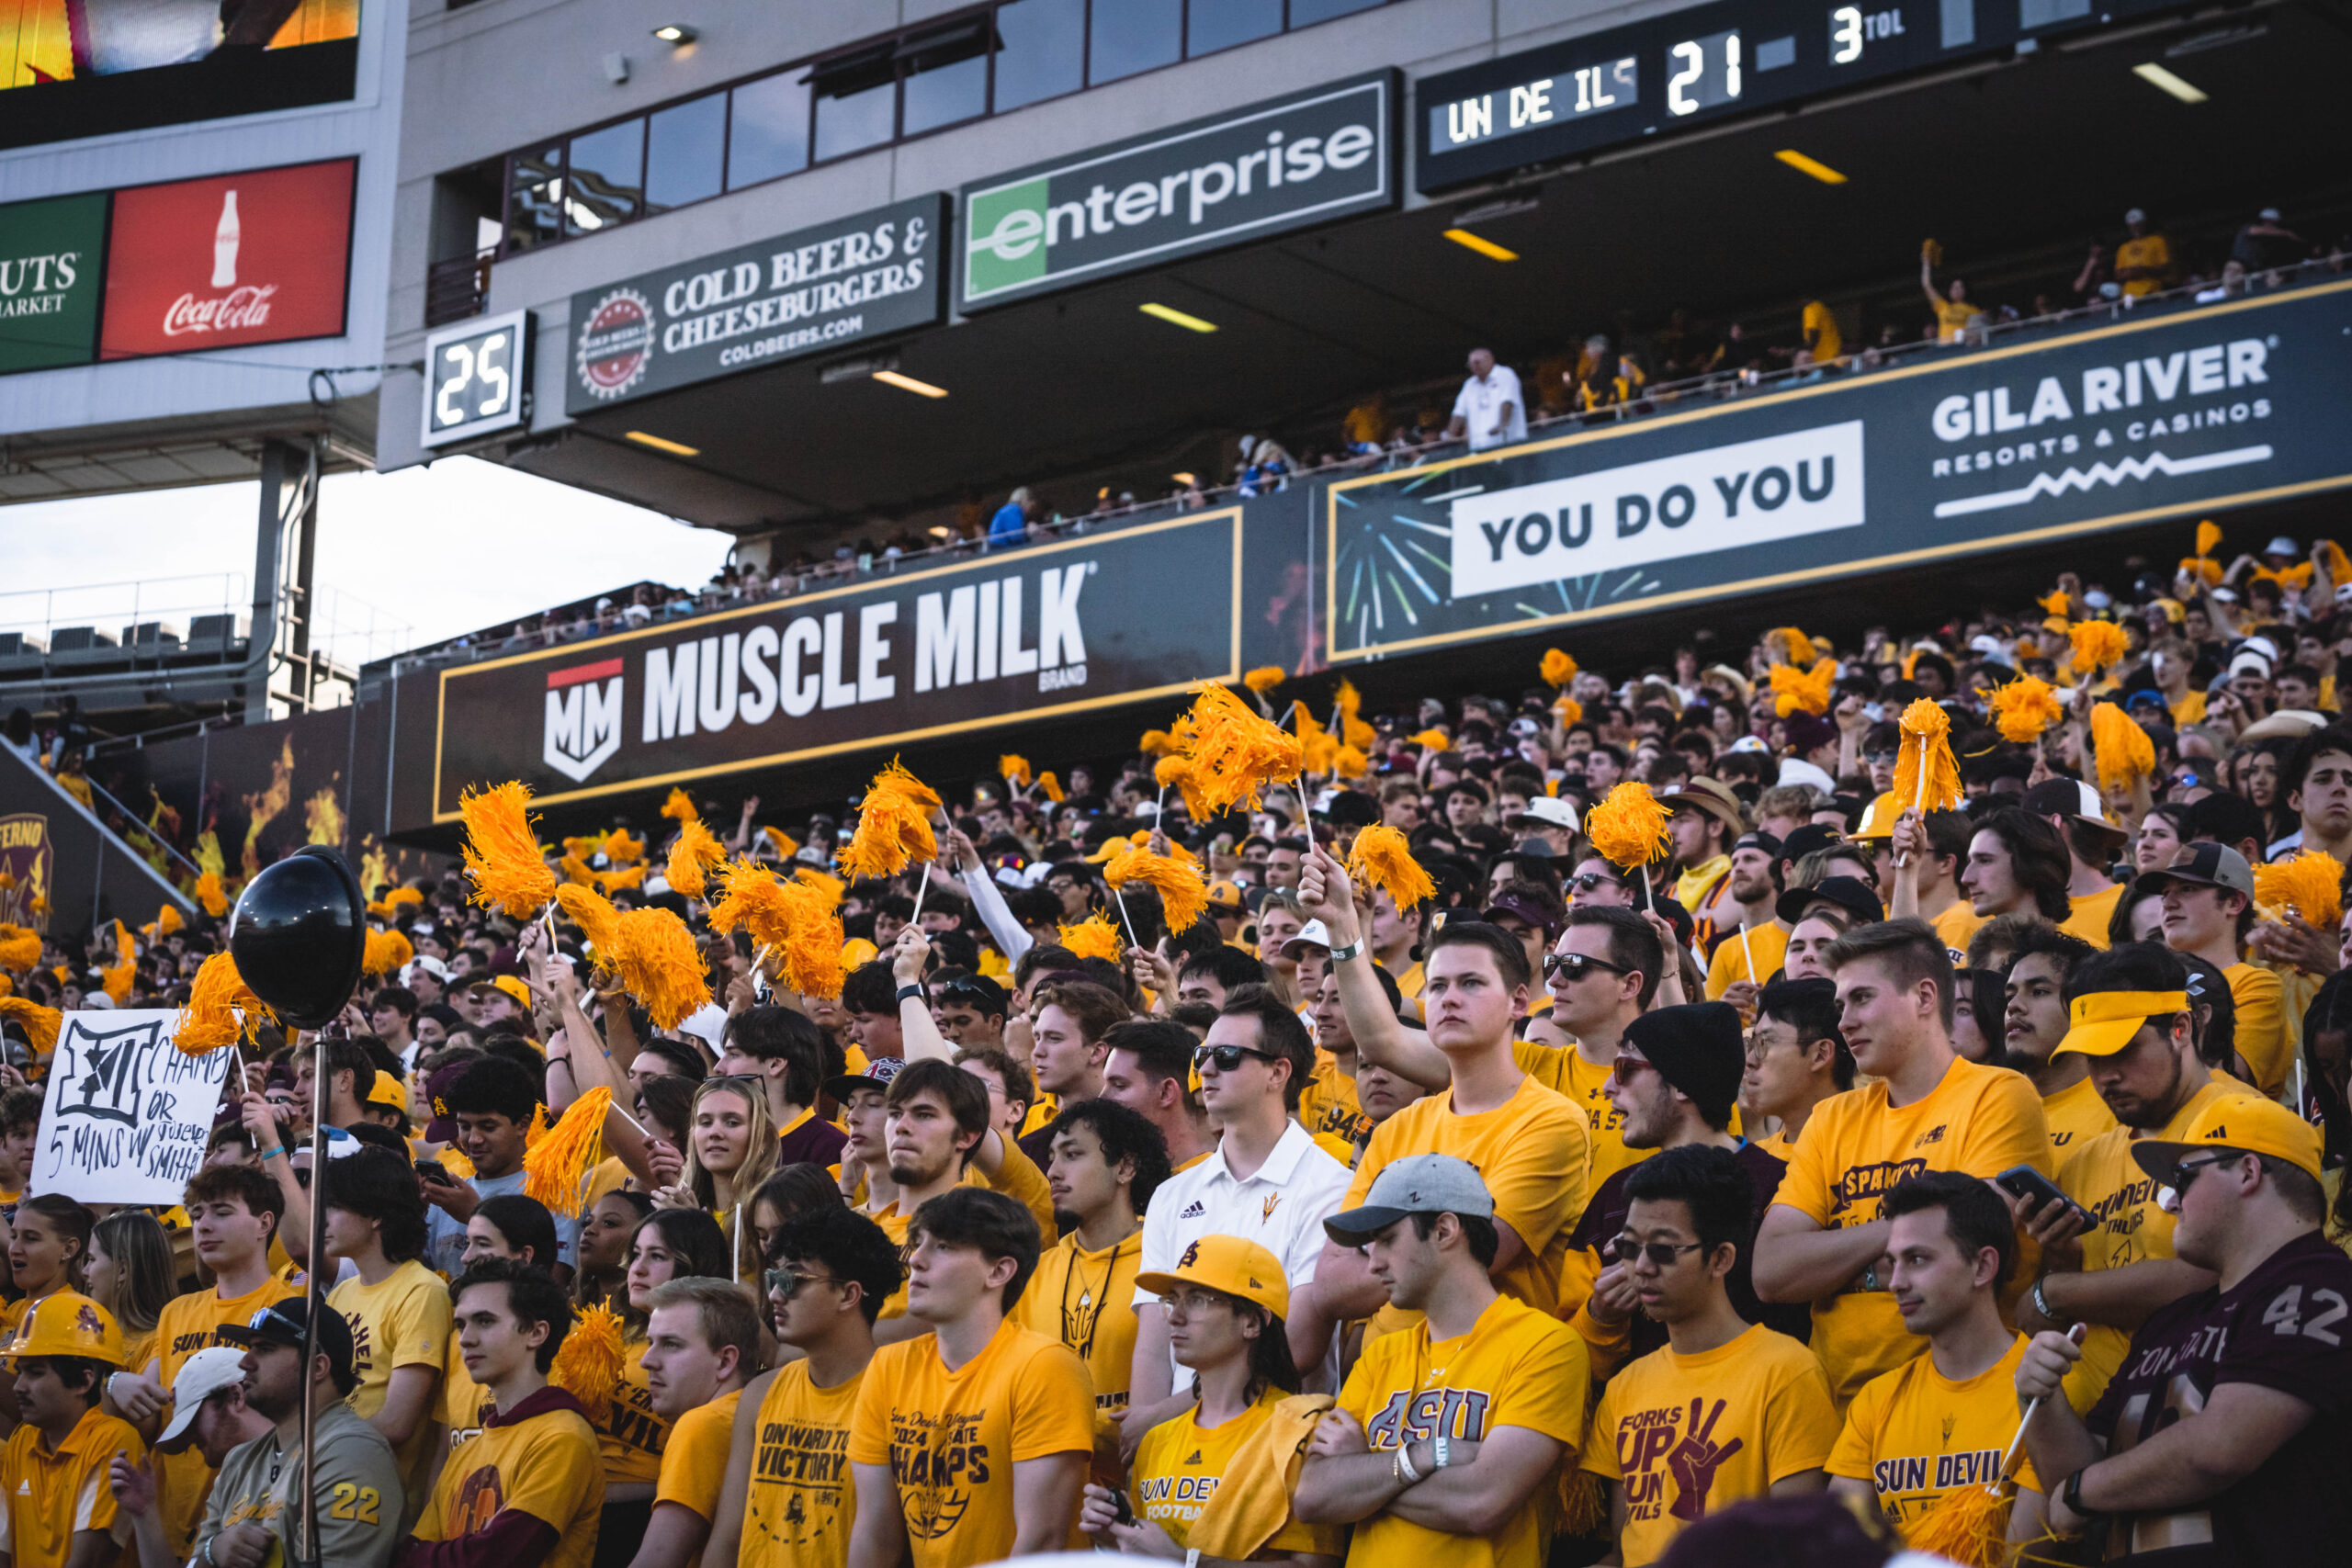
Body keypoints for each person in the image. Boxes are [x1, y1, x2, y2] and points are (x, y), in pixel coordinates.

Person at [2016, 1093, 2352, 1557]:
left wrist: (2082, 1490)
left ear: (2249, 1173)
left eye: (2183, 1179)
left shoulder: (2322, 1284)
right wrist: (2041, 1402)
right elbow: (2072, 1493)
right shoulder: (2169, 1321)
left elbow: (2222, 1446)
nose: (2169, 1202)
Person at [1754, 919, 2052, 1408]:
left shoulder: (1997, 1095)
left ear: (1924, 996)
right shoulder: (1831, 1117)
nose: (1844, 1021)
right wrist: (1909, 1232)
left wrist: (1837, 1253)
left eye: (1862, 999)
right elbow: (1771, 1271)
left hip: (1963, 1397)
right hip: (1835, 1406)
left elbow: (1972, 1243)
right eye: (1839, 1006)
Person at [1295, 1154, 1589, 1568]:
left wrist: (1364, 1474)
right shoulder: (1381, 1354)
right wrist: (1426, 1455)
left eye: (1387, 1239)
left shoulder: (1546, 1347)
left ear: (1445, 1230)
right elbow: (1313, 1496)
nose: (1374, 1261)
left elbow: (1481, 1502)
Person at [1310, 921, 1589, 1345]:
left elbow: (1479, 1257)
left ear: (1518, 1002)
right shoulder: (1398, 1128)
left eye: (1472, 983)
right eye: (1437, 986)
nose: (1450, 998)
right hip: (1381, 1381)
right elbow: (1330, 1286)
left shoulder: (1551, 1121)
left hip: (1489, 1379)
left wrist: (1379, 1257)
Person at [1585, 1146, 1838, 1563]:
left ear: (1721, 1258)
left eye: (1663, 1250)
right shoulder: (1625, 1387)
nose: (1642, 1267)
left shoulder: (1786, 1373)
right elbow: (1623, 1551)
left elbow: (1798, 1549)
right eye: (1629, 1248)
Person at [2025, 943, 2244, 1412]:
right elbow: (2033, 1320)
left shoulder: (2241, 1123)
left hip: (2193, 1412)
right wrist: (2060, 1263)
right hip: (2090, 1417)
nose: (2106, 1075)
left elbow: (2208, 1279)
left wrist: (2056, 1293)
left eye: (2123, 1050)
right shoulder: (2084, 1162)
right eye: (2092, 1057)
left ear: (2181, 1029)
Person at [1125, 989, 1349, 1447]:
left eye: (1226, 1056)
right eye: (1202, 1054)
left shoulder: (1331, 1187)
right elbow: (1154, 1338)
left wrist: (1159, 1416)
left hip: (1273, 1449)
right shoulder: (1173, 1194)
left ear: (1277, 1072)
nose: (1205, 1069)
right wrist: (1144, 1440)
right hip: (1173, 1447)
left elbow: (1300, 1347)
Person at [844, 1188, 1094, 1568]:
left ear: (999, 1271)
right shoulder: (888, 1366)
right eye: (917, 1243)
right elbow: (875, 1536)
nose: (916, 1260)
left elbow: (1042, 1539)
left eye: (943, 1247)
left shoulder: (1045, 1367)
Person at [1562, 1002, 1803, 1371]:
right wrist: (1601, 1315)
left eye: (1625, 1068)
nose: (1609, 1086)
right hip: (1635, 1419)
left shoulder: (1780, 1189)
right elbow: (1567, 1355)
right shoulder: (1614, 1198)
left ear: (1680, 1084)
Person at [1082, 1235, 1339, 1567]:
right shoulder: (1157, 1440)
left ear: (1251, 1321)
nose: (1175, 1317)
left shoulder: (1303, 1431)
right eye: (1173, 1300)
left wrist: (1188, 1562)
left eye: (1199, 1300)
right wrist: (1118, 1538)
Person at [1824, 1173, 2049, 1545]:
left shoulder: (2046, 1385)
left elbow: (2021, 1557)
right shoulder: (1876, 1401)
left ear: (1982, 1267)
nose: (1895, 1282)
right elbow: (1835, 1549)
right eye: (1892, 1262)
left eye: (1916, 1259)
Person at [109, 1164, 303, 1560]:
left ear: (264, 1223)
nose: (203, 1225)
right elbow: (153, 1413)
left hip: (253, 1522)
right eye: (197, 1215)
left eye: (221, 1212)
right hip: (169, 1520)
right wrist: (114, 1384)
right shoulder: (175, 1313)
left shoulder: (291, 1309)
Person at [707, 1206, 900, 1568]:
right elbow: (727, 1538)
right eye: (773, 1279)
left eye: (794, 1280)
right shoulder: (761, 1394)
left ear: (848, 1295)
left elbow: (887, 1545)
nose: (776, 1295)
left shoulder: (895, 1400)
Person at [154, 1297, 401, 1568]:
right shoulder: (238, 1461)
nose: (245, 1362)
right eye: (250, 1349)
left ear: (317, 1368)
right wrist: (214, 1551)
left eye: (265, 1349)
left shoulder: (352, 1453)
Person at [405, 1259, 604, 1568]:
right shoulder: (465, 1450)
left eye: (484, 1321)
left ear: (536, 1333)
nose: (465, 1339)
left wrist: (428, 1556)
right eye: (461, 1324)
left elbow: (495, 1557)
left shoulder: (563, 1438)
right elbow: (410, 1553)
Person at [1010, 1098, 1168, 1462]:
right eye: (1052, 1157)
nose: (1053, 1172)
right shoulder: (1034, 1273)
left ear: (1125, 1167)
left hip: (1137, 1490)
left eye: (1072, 1154)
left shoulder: (1167, 1266)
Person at [865, 1057, 1056, 1335]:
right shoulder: (856, 1230)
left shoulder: (992, 1226)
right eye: (894, 1113)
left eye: (924, 1114)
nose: (902, 1126)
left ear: (967, 1137)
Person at [323, 1146, 452, 1518]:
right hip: (329, 1487)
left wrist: (311, 1449)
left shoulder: (421, 1292)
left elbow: (397, 1422)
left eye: (334, 1207)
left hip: (377, 1506)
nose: (323, 1220)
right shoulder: (341, 1294)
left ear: (376, 1216)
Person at [0, 1292, 146, 1568]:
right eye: (20, 1372)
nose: (18, 1387)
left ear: (84, 1381)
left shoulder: (114, 1441)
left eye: (35, 1372)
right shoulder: (22, 1441)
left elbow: (86, 1562)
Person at [2141, 841, 2291, 1098]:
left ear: (2234, 902)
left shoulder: (2256, 984)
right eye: (2165, 893)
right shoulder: (2147, 980)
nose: (2168, 904)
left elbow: (2230, 1080)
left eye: (2187, 889)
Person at [629, 1279, 758, 1568]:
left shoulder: (702, 1425)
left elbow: (657, 1561)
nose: (647, 1361)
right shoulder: (746, 1413)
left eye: (671, 1345)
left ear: (725, 1361)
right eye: (650, 1343)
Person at [109, 1348, 270, 1568]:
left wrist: (213, 1551)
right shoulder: (226, 1483)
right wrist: (145, 1513)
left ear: (235, 1396)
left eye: (194, 1422)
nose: (192, 1440)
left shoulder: (307, 1456)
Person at [422, 1057, 576, 1280]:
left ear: (523, 1124)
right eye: (464, 1126)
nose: (473, 1139)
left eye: (488, 1126)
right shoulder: (445, 1198)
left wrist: (476, 1214)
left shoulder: (557, 1195)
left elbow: (551, 1284)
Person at [1997, 925, 2117, 1152]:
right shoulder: (1991, 1113)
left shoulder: (2118, 1108)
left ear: (2084, 1005)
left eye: (2039, 992)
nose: (2014, 1006)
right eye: (2010, 996)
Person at [717, 1007, 848, 1169]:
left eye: (734, 1055)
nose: (718, 1067)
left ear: (776, 1064)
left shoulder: (830, 1147)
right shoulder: (730, 1142)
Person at [1739, 977, 1852, 1157]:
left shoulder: (1867, 1159)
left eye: (1766, 1043)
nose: (1750, 1061)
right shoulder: (1753, 1160)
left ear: (1820, 1054)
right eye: (1752, 1044)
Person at [1098, 1018, 1216, 1171]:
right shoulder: (1119, 1183)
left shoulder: (1217, 1184)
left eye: (1119, 1086)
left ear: (1166, 1092)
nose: (1101, 1098)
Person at [84, 1213, 174, 1382]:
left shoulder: (157, 1344)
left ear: (122, 1270)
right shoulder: (84, 1332)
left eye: (91, 1259)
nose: (84, 1271)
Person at [1445, 347, 1526, 452]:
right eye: (1470, 365)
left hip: (1508, 444)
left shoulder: (1505, 374)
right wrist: (1450, 433)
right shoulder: (1469, 384)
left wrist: (1502, 425)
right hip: (1479, 449)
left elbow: (1507, 402)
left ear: (1490, 359)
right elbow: (1459, 412)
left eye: (1477, 363)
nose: (1474, 367)